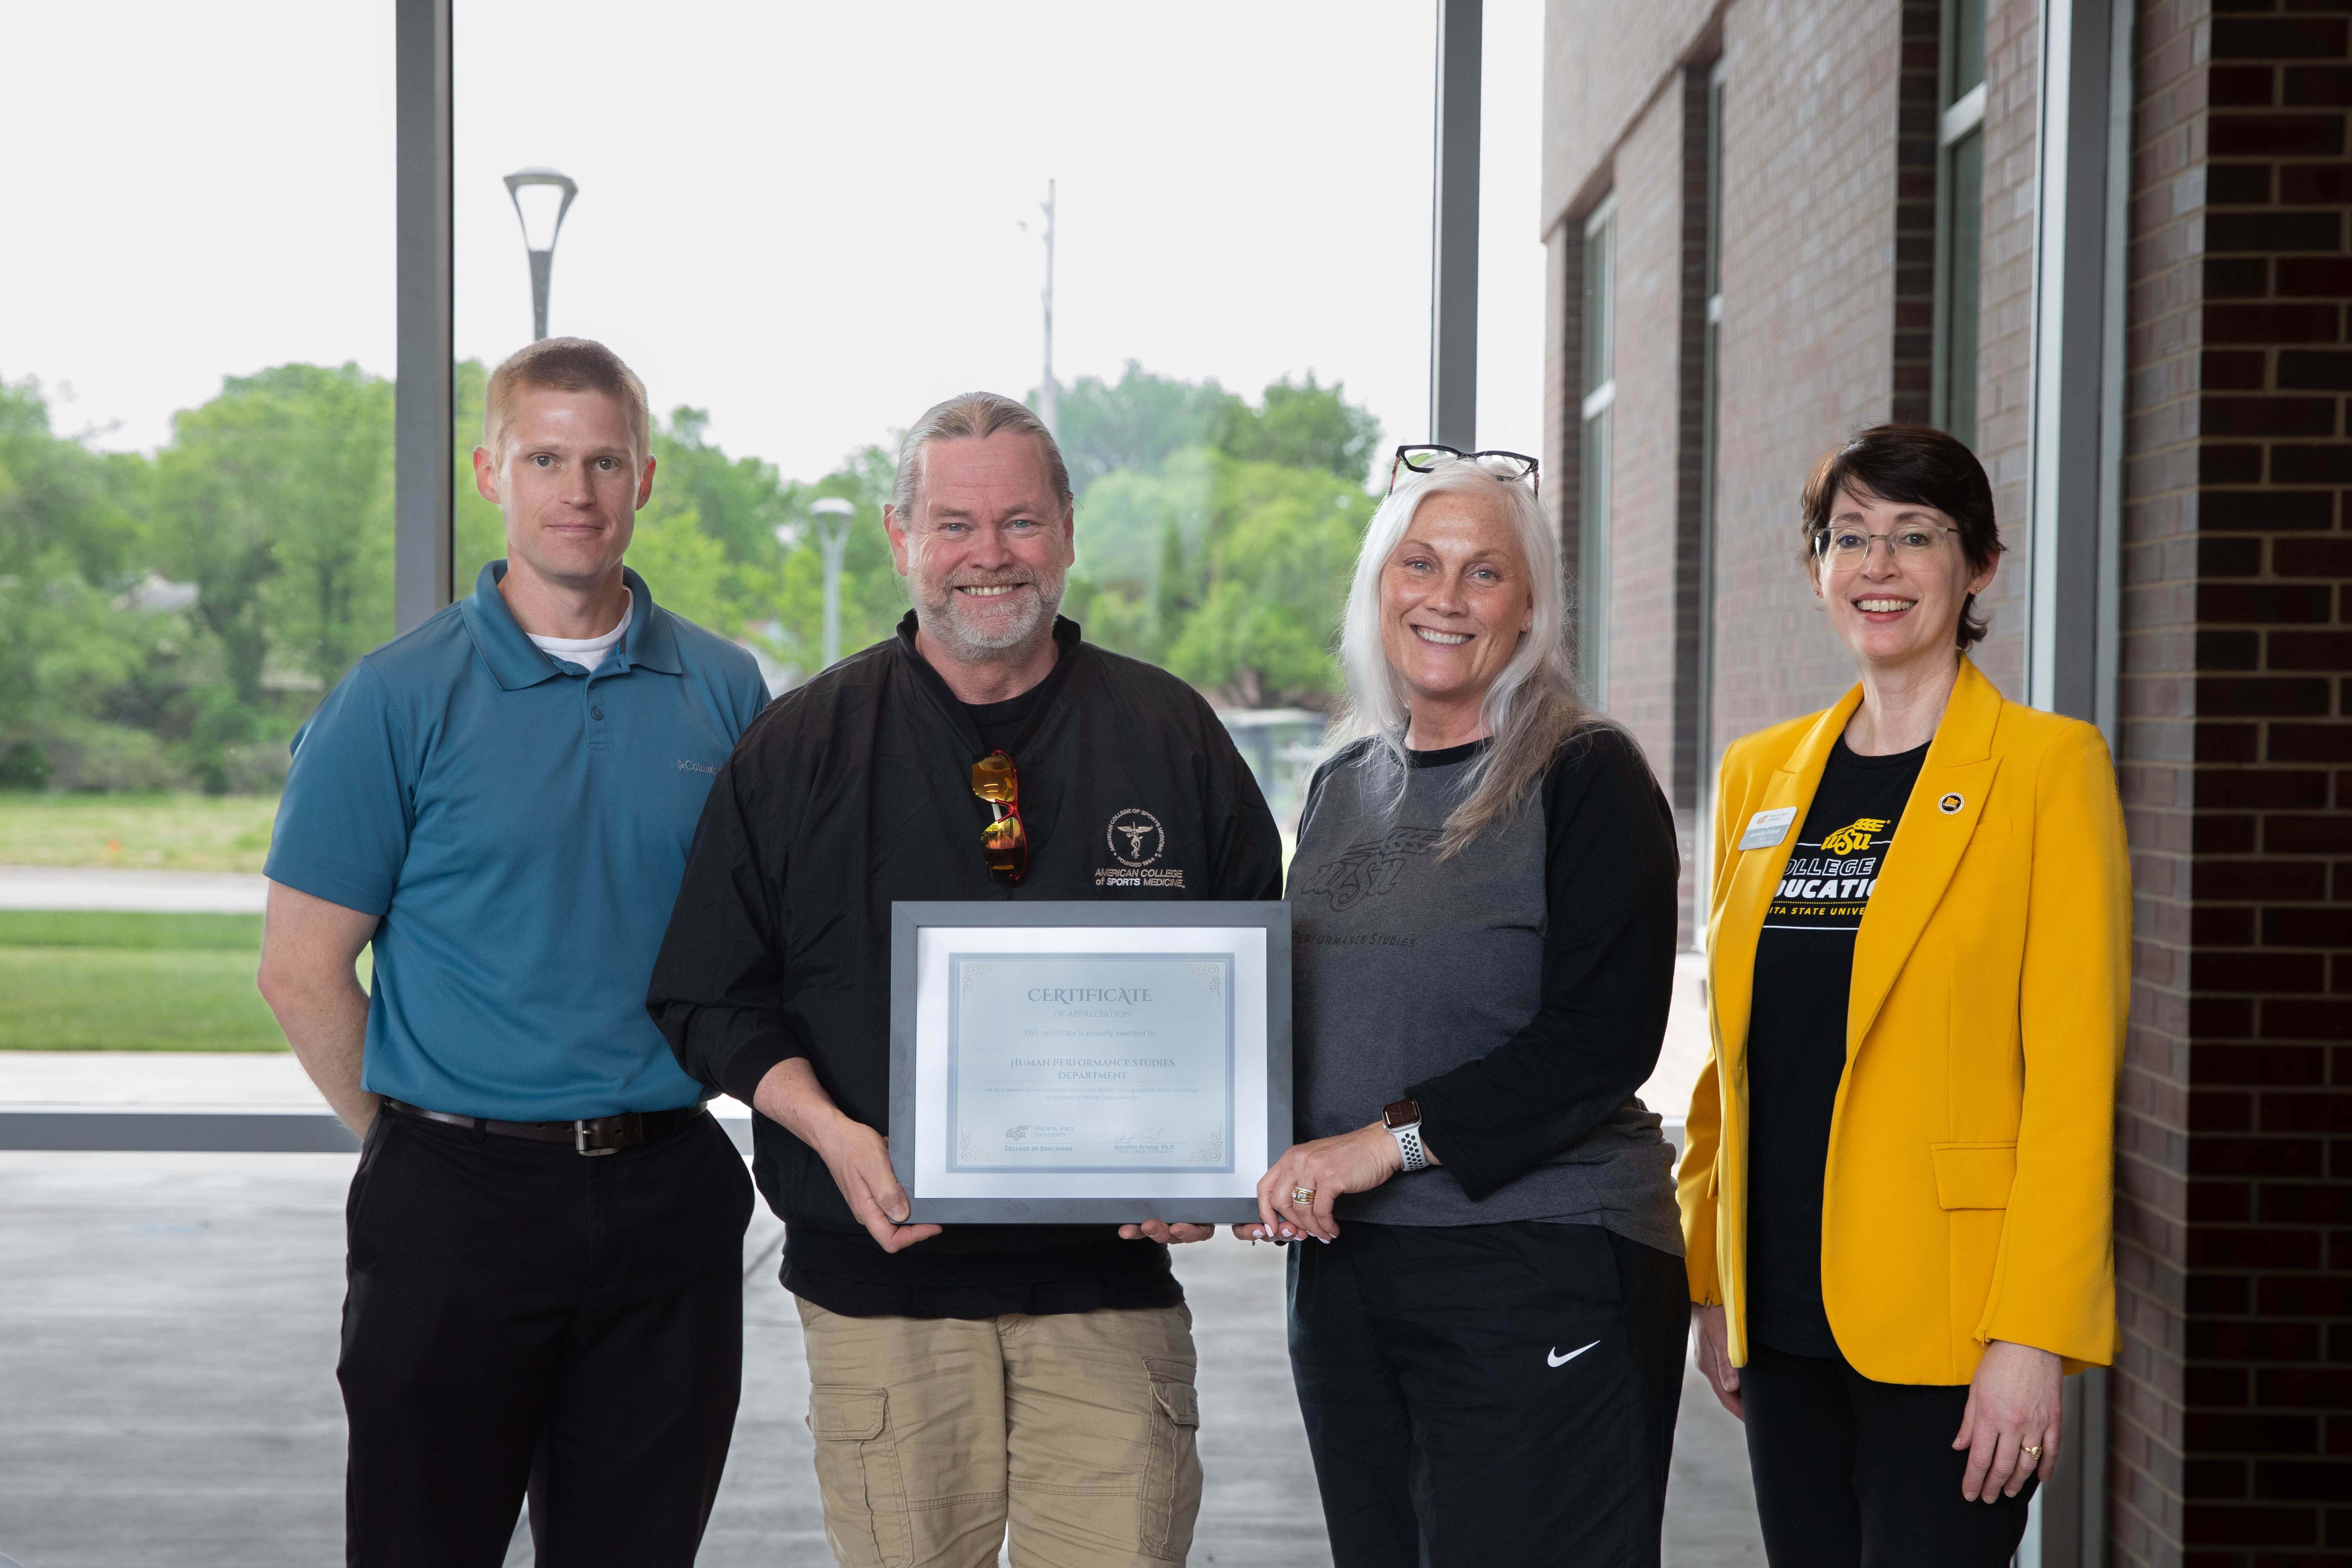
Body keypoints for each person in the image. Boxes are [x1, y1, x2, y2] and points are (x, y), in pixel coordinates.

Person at [645, 391, 1282, 1568]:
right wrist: (833, 1134)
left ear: (1067, 532)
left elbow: (1257, 982)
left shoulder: (1171, 735)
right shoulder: (800, 749)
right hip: (881, 1298)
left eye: (1020, 522)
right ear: (902, 538)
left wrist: (1218, 1164)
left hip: (1107, 1295)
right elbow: (708, 997)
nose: (990, 555)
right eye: (955, 525)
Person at [255, 337, 771, 1566]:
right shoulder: (396, 697)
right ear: (492, 473)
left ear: (645, 479)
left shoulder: (723, 690)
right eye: (545, 459)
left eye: (605, 461)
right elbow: (301, 968)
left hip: (667, 1191)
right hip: (454, 1200)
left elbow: (770, 942)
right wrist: (410, 1145)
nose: (575, 491)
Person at [1680, 424, 2129, 1567]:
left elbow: (2073, 1080)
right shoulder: (1758, 776)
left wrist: (2033, 1336)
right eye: (1850, 538)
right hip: (1781, 1317)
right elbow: (1731, 1056)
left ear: (1979, 566)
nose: (1877, 567)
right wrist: (1711, 1282)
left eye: (1915, 536)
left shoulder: (2047, 771)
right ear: (1817, 568)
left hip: (1953, 1330)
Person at [1237, 447, 1688, 1566]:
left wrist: (1382, 1144)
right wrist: (1243, 1157)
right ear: (1376, 585)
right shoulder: (1344, 782)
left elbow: (1602, 1039)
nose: (1445, 597)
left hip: (1537, 1262)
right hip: (1348, 1272)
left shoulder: (1584, 772)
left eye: (1484, 572)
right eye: (1419, 563)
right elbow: (1322, 1016)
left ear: (1528, 606)